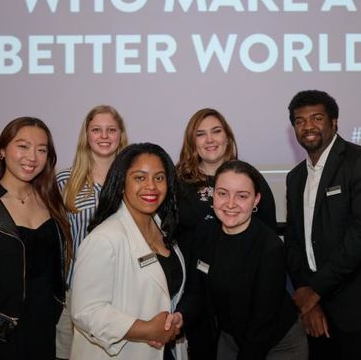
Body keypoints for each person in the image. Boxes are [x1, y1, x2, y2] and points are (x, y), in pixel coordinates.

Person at [284, 90, 361, 360]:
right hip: (316, 309)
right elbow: (293, 239)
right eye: (300, 120)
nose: (308, 126)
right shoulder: (295, 178)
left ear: (334, 122)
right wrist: (306, 292)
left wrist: (315, 291)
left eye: (316, 118)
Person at [0, 117, 72, 359]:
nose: (32, 157)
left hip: (44, 332)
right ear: (1, 151)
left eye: (42, 150)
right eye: (23, 146)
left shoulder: (52, 203)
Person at [173, 160, 308, 360]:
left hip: (278, 344)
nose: (230, 204)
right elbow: (196, 291)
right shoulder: (205, 234)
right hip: (231, 337)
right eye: (222, 193)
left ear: (256, 200)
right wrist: (179, 316)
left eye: (242, 196)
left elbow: (262, 323)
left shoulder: (270, 248)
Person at [175, 108, 279, 359]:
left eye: (216, 131)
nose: (209, 139)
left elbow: (268, 237)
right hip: (196, 292)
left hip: (243, 296)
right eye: (201, 134)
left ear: (228, 137)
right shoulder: (178, 183)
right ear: (192, 142)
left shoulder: (249, 178)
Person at [69, 143, 186, 360]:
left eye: (159, 178)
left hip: (163, 351)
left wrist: (175, 318)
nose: (151, 186)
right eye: (140, 178)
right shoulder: (104, 239)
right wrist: (147, 329)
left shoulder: (163, 228)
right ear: (122, 182)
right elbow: (86, 311)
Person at [55, 105, 128, 358]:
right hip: (76, 288)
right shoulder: (65, 181)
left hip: (123, 287)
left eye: (111, 130)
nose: (104, 136)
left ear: (121, 134)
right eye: (96, 130)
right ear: (86, 135)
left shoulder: (134, 180)